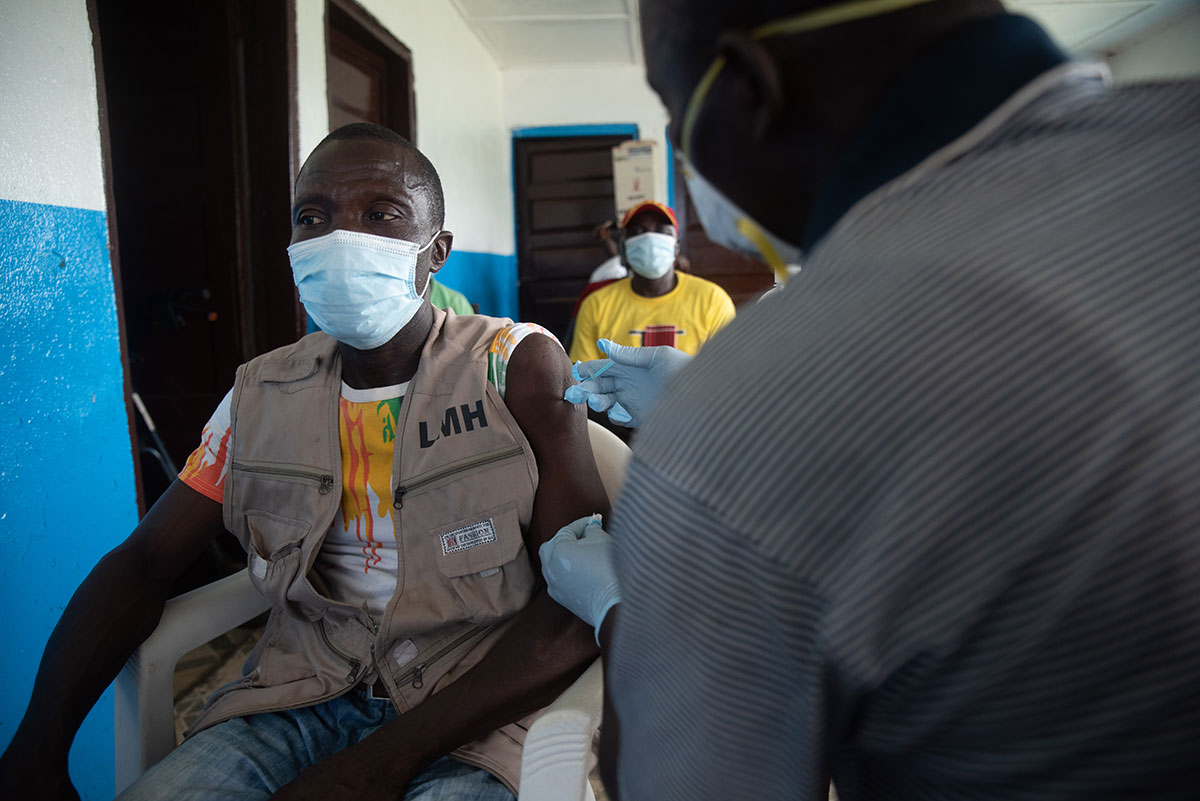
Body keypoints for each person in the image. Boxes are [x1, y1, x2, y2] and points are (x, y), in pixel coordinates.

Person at [542, 1, 1200, 799]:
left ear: (753, 88)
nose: (680, 147)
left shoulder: (740, 415)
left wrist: (623, 606)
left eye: (676, 112)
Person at [0, 122, 609, 801]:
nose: (341, 237)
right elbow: (145, 562)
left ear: (435, 252)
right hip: (299, 695)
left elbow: (580, 599)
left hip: (476, 706)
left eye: (381, 213)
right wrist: (36, 745)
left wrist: (378, 763)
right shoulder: (260, 394)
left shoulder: (512, 364)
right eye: (312, 216)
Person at [568, 201, 735, 363]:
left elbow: (728, 372)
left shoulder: (713, 301)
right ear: (624, 247)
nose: (649, 238)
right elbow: (583, 375)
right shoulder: (596, 305)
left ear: (676, 248)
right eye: (637, 231)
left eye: (662, 231)